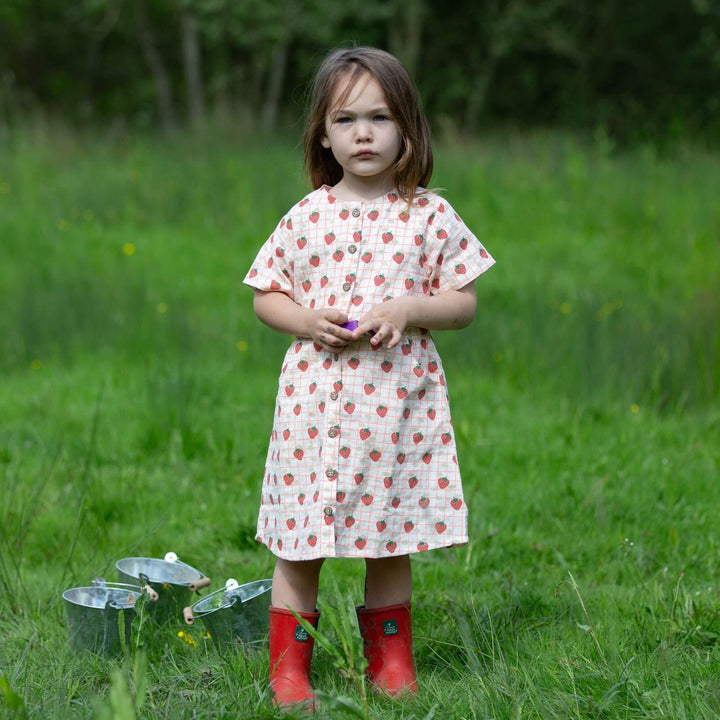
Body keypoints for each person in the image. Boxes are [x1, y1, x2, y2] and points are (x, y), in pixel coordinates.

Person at [243, 45, 495, 712]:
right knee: (300, 545)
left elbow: (463, 303)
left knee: (391, 537)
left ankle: (391, 663)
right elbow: (265, 295)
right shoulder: (306, 215)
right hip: (313, 410)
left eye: (379, 117)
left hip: (395, 410)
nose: (363, 133)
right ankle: (289, 673)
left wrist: (412, 307)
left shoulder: (429, 215)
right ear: (323, 135)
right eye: (346, 119)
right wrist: (302, 320)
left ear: (407, 128)